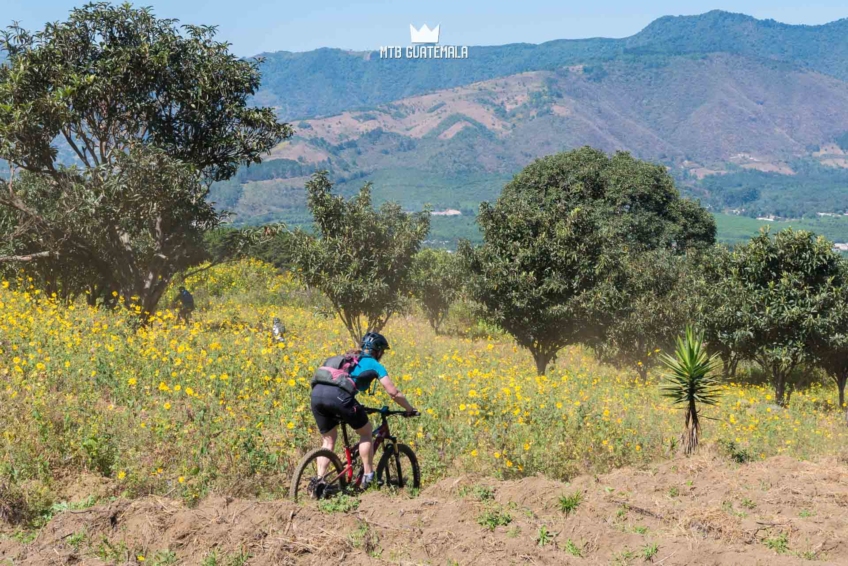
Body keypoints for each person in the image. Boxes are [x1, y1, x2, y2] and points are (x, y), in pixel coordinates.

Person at [310, 332, 417, 489]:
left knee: (328, 440)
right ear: (378, 351)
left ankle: (319, 482)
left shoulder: (348, 358)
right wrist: (409, 409)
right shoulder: (373, 364)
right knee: (366, 432)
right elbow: (393, 393)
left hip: (316, 394)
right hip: (339, 397)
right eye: (382, 351)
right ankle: (368, 475)